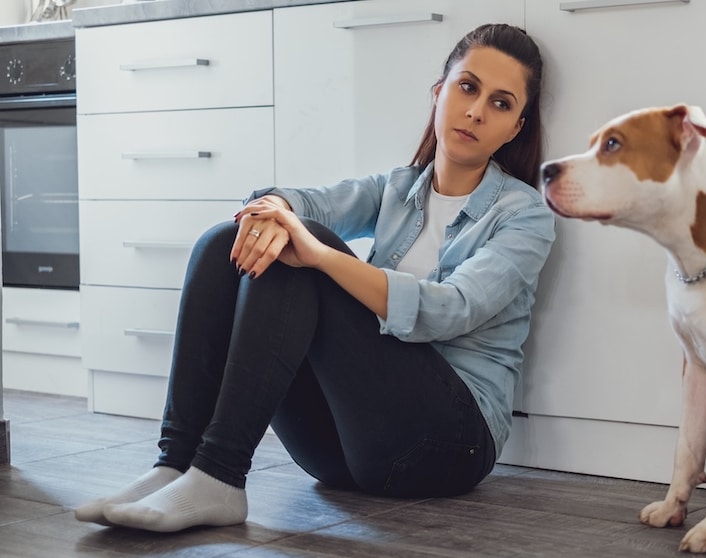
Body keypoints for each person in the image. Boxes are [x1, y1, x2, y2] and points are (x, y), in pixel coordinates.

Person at [73, 22, 554, 533]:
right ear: (439, 93)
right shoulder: (396, 188)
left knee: (306, 255)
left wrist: (322, 256)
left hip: (449, 444)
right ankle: (176, 462)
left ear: (516, 127)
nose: (477, 111)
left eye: (501, 104)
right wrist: (274, 208)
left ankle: (220, 474)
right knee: (225, 241)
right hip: (342, 452)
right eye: (467, 87)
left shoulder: (524, 215)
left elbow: (449, 309)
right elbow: (309, 202)